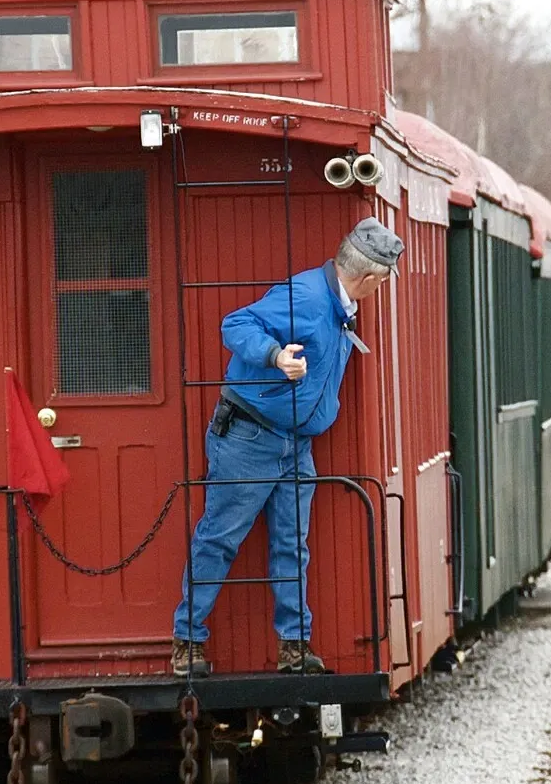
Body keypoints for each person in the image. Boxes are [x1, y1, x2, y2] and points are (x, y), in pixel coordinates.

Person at [171, 217, 405, 676]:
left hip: (294, 443)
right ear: (370, 278)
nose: (380, 289)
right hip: (249, 438)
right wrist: (275, 355)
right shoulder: (307, 299)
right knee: (219, 539)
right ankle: (188, 642)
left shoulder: (335, 304)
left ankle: (294, 646)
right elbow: (235, 324)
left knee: (290, 545)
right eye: (381, 283)